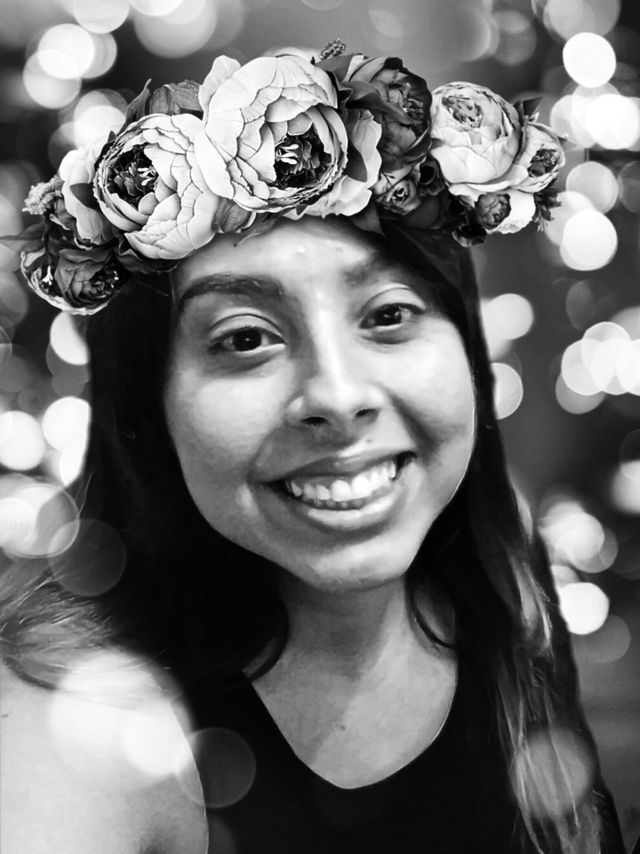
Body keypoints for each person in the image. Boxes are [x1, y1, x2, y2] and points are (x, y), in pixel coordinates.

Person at [0, 41, 626, 853]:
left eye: (388, 315)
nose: (336, 394)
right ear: (147, 407)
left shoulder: (509, 590)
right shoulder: (79, 723)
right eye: (246, 337)